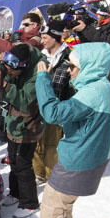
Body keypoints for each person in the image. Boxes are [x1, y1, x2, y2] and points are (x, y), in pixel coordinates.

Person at [34, 42, 110, 218]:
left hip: (77, 163)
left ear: (89, 66)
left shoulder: (92, 94)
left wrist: (42, 79)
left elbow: (52, 113)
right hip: (86, 160)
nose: (69, 70)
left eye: (72, 66)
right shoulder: (102, 86)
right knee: (62, 208)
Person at [0, 43, 43, 218]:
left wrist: (4, 84)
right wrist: (2, 117)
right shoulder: (13, 69)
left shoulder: (37, 75)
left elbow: (24, 100)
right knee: (12, 159)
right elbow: (6, 97)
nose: (9, 72)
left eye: (12, 71)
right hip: (13, 123)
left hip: (28, 126)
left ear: (23, 66)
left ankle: (29, 203)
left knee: (23, 163)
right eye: (6, 68)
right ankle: (15, 192)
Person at [32, 19, 71, 182]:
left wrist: (45, 79)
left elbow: (62, 86)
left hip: (57, 106)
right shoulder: (41, 57)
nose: (42, 40)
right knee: (37, 143)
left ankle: (52, 178)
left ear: (55, 37)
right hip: (39, 105)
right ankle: (39, 172)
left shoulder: (68, 57)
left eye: (45, 37)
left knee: (51, 145)